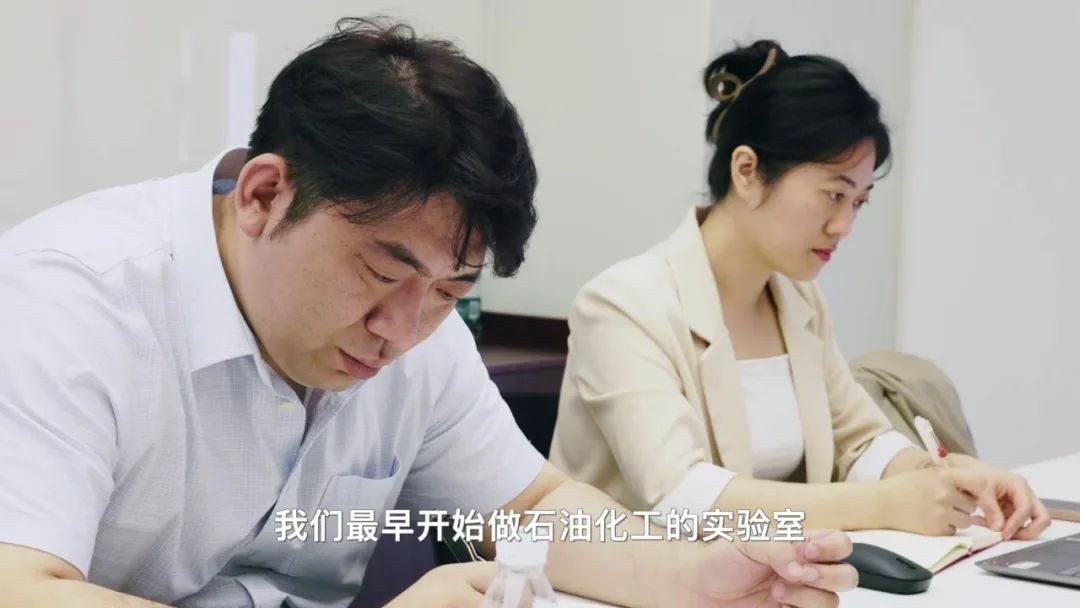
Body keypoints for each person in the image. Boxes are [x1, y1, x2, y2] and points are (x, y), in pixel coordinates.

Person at [0, 20, 856, 608]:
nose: (402, 333)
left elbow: (529, 509)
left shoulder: (416, 332)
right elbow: (22, 587)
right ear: (263, 195)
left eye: (451, 293)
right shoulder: (71, 301)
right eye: (381, 271)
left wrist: (689, 575)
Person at [549, 40, 1051, 541]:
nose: (844, 225)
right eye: (833, 195)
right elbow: (681, 496)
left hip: (761, 571)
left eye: (858, 202)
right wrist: (885, 503)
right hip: (624, 571)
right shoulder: (622, 306)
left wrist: (943, 476)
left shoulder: (797, 299)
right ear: (747, 172)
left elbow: (861, 442)